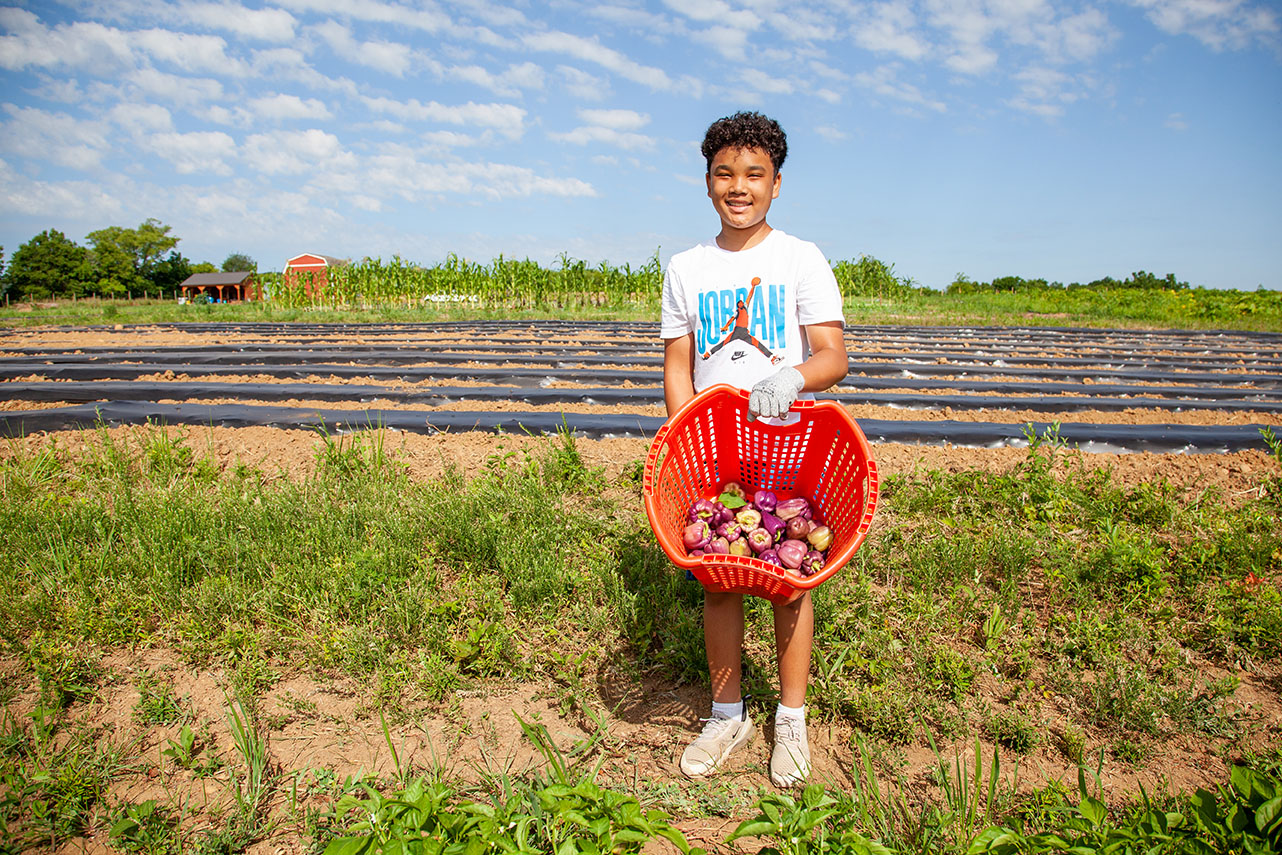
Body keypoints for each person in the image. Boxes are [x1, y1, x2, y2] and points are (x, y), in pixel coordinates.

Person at [660, 111, 849, 788]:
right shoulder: (686, 267)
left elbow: (833, 354)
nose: (738, 187)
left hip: (785, 446)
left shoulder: (800, 257)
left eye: (753, 175)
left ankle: (791, 717)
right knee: (719, 578)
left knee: (788, 582)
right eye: (724, 173)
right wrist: (687, 440)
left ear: (776, 183)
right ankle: (726, 711)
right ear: (707, 180)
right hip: (715, 452)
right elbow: (679, 364)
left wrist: (791, 376)